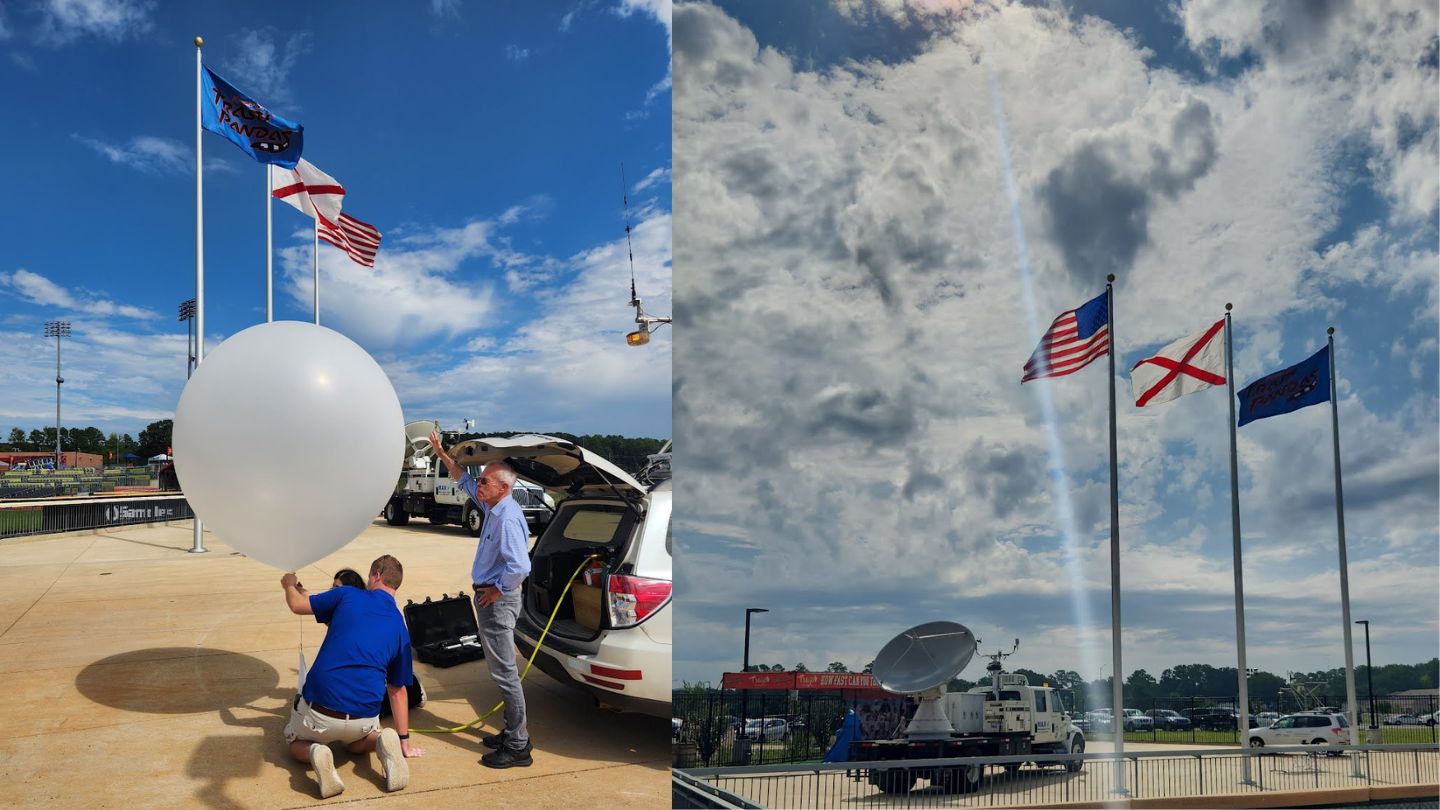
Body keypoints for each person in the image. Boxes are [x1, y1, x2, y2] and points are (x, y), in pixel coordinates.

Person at [280, 555, 425, 798]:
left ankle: (316, 751)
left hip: (320, 712)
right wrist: (404, 740)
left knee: (294, 745)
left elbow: (297, 605)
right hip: (363, 717)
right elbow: (397, 691)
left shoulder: (347, 595)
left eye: (370, 576)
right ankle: (380, 741)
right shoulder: (400, 627)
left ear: (377, 575)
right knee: (357, 745)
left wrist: (288, 584)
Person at [431, 431, 533, 768]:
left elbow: (520, 566)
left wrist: (496, 590)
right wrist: (443, 454)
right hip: (492, 599)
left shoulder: (506, 517)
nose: (481, 484)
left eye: (486, 480)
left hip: (498, 603)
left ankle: (519, 746)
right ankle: (511, 731)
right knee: (500, 671)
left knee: (505, 674)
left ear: (503, 488)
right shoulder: (493, 504)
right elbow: (463, 480)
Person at [329, 567, 428, 717]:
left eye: (336, 588)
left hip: (372, 677)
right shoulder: (341, 610)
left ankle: (415, 689)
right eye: (332, 587)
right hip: (354, 678)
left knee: (369, 710)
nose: (332, 592)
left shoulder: (361, 613)